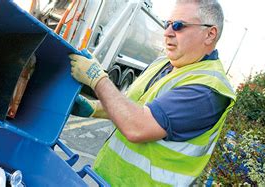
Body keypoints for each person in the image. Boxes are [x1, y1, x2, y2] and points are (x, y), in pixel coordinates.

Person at [69, 0, 236, 186]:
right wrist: (94, 109)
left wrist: (97, 79)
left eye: (179, 25)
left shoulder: (207, 90)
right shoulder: (163, 64)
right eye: (168, 24)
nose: (167, 32)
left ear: (209, 34)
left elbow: (137, 127)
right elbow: (134, 108)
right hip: (106, 177)